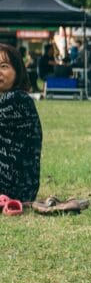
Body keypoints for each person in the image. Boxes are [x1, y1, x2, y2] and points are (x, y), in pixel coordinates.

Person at [0, 43, 43, 203]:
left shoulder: (16, 99)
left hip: (16, 188)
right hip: (22, 188)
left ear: (17, 72)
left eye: (4, 66)